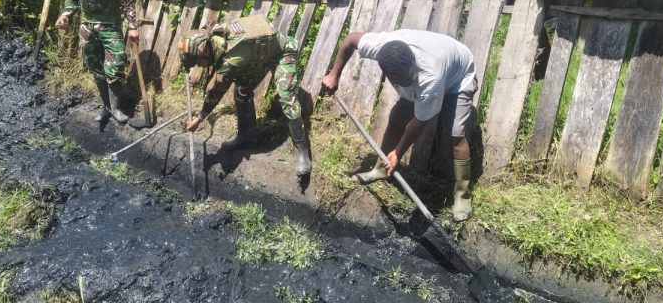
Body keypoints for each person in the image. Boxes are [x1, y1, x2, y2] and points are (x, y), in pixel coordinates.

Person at [321, 30, 477, 222]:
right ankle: (380, 169)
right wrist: (334, 74)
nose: (405, 83)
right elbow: (351, 39)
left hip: (459, 78)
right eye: (400, 81)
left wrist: (398, 152)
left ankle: (462, 195)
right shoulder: (380, 47)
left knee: (455, 135)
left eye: (408, 78)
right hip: (433, 66)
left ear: (413, 62)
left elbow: (419, 123)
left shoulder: (430, 76)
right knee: (396, 118)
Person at [179, 14, 311, 177]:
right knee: (242, 91)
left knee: (286, 97)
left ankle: (302, 151)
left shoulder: (231, 57)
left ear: (205, 50)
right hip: (257, 55)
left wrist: (199, 118)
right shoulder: (215, 36)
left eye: (198, 61)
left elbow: (218, 90)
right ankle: (246, 138)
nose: (198, 65)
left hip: (281, 52)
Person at [55, 0, 139, 124]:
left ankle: (117, 108)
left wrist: (133, 26)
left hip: (110, 26)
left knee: (115, 65)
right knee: (95, 67)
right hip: (88, 27)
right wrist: (65, 14)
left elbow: (128, 0)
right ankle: (107, 107)